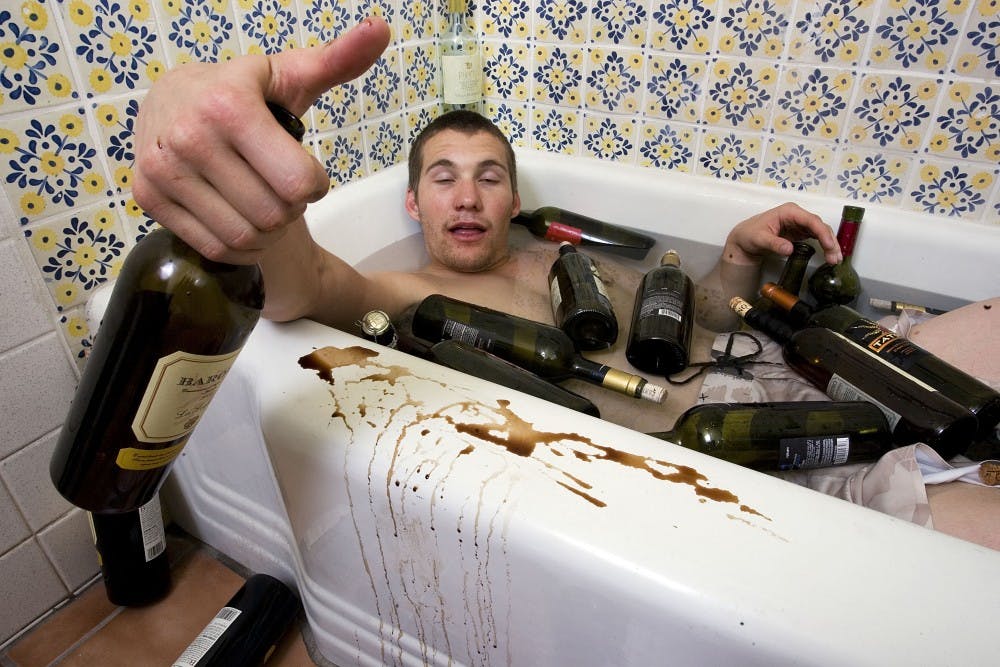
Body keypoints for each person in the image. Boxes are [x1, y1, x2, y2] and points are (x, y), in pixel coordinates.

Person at [132, 17, 997, 547]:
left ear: (515, 198)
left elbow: (690, 314)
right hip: (759, 473)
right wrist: (236, 166)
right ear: (411, 202)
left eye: (488, 175)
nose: (466, 195)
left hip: (781, 375)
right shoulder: (408, 298)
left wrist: (735, 256)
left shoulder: (566, 260)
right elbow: (301, 284)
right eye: (442, 176)